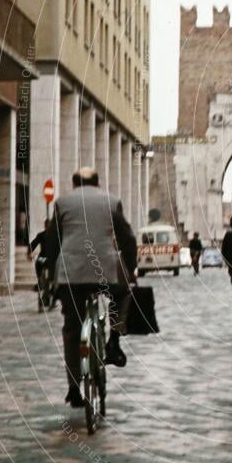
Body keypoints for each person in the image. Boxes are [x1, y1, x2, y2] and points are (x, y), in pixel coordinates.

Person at [45, 167, 137, 408]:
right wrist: (131, 268)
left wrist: (50, 274)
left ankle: (74, 389)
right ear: (97, 183)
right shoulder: (112, 202)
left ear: (74, 183)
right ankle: (114, 340)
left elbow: (52, 242)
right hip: (103, 271)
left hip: (71, 274)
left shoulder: (62, 203)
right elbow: (127, 239)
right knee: (123, 291)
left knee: (72, 330)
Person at [28, 219, 51, 302]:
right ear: (45, 226)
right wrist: (30, 253)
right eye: (47, 225)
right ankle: (39, 280)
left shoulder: (56, 236)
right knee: (38, 262)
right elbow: (33, 244)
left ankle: (51, 288)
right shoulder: (41, 235)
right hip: (44, 258)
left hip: (51, 259)